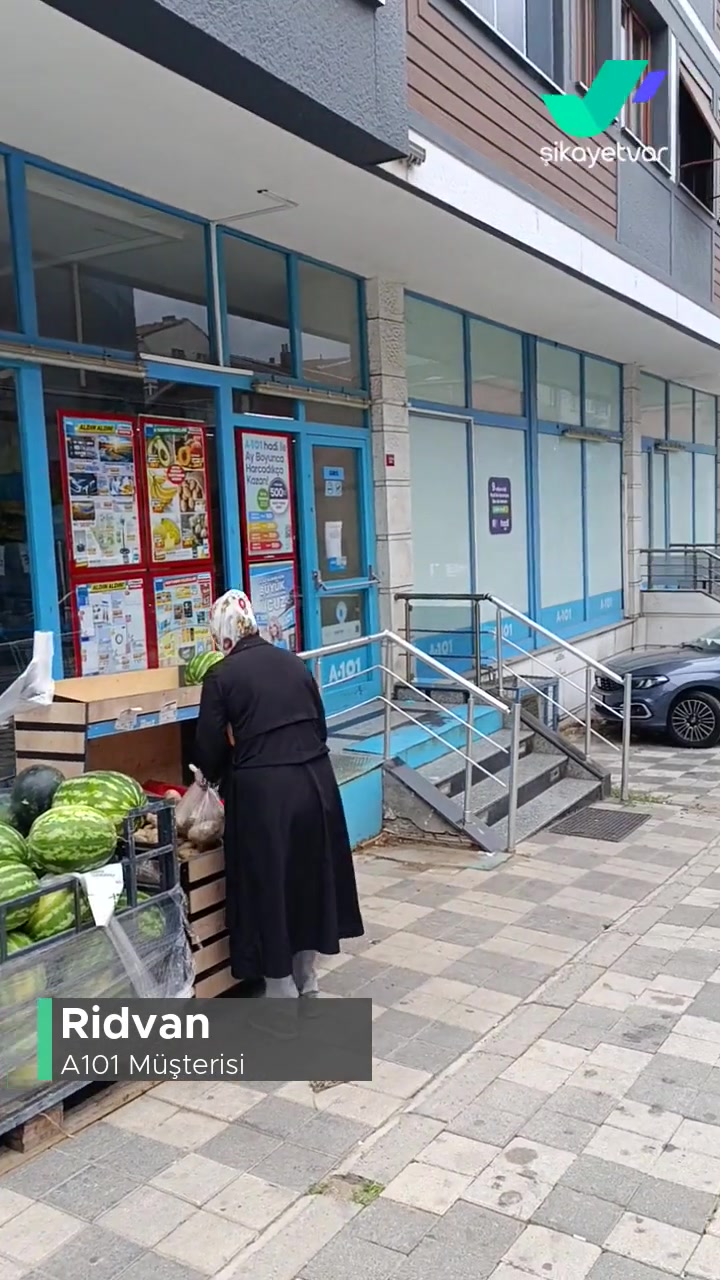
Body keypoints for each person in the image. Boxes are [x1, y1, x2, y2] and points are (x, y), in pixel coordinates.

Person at [193, 589, 364, 997]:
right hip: (317, 785)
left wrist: (215, 773)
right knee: (309, 879)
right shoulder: (293, 662)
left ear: (221, 633)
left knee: (268, 884)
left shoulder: (222, 675)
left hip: (265, 794)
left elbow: (208, 749)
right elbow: (319, 728)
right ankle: (309, 980)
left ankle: (279, 989)